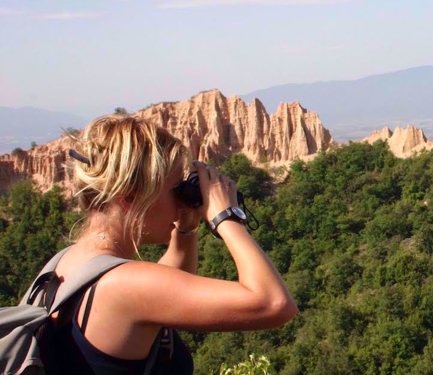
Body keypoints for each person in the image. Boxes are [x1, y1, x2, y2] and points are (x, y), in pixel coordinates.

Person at [47, 115, 297, 374]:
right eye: (174, 190)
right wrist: (227, 216)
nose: (181, 202)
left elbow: (168, 285)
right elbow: (275, 304)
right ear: (130, 197)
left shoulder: (61, 267)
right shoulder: (123, 285)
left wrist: (186, 226)